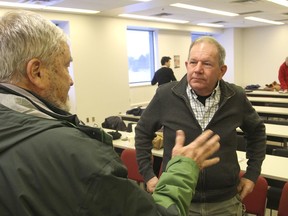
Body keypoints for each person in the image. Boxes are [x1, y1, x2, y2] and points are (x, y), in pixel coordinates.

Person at [0, 10, 222, 216]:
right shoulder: (72, 153)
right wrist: (182, 168)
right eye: (66, 66)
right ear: (37, 72)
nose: (70, 79)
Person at [135, 36, 266, 215]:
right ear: (187, 64)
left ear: (222, 70)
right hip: (178, 200)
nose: (198, 70)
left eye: (207, 64)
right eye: (193, 62)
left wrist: (252, 175)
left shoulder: (235, 97)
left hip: (225, 201)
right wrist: (149, 176)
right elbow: (143, 132)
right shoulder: (165, 95)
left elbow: (257, 133)